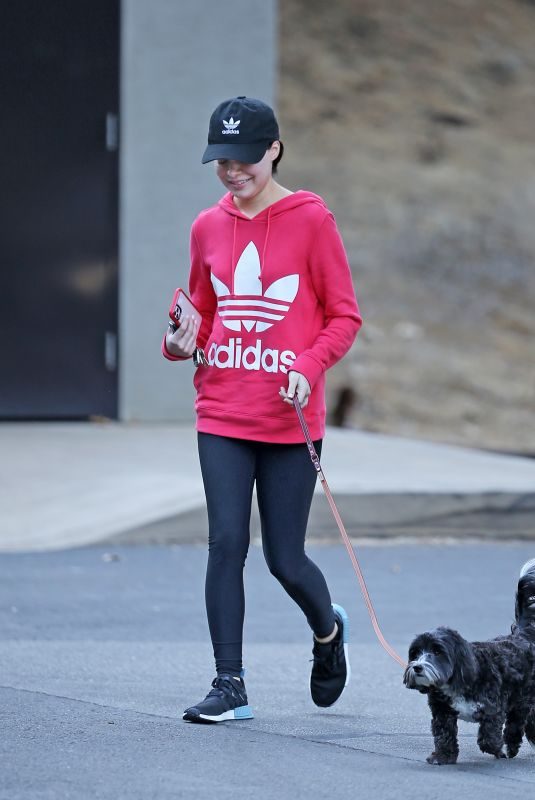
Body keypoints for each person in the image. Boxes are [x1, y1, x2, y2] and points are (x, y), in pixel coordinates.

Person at [163, 96, 362, 723]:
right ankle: (230, 684)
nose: (232, 170)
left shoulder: (312, 220)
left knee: (285, 558)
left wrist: (306, 366)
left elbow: (343, 316)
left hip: (288, 418)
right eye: (221, 159)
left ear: (273, 149)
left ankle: (328, 634)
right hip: (222, 409)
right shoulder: (206, 227)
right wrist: (176, 342)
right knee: (226, 544)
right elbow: (201, 311)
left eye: (244, 158)